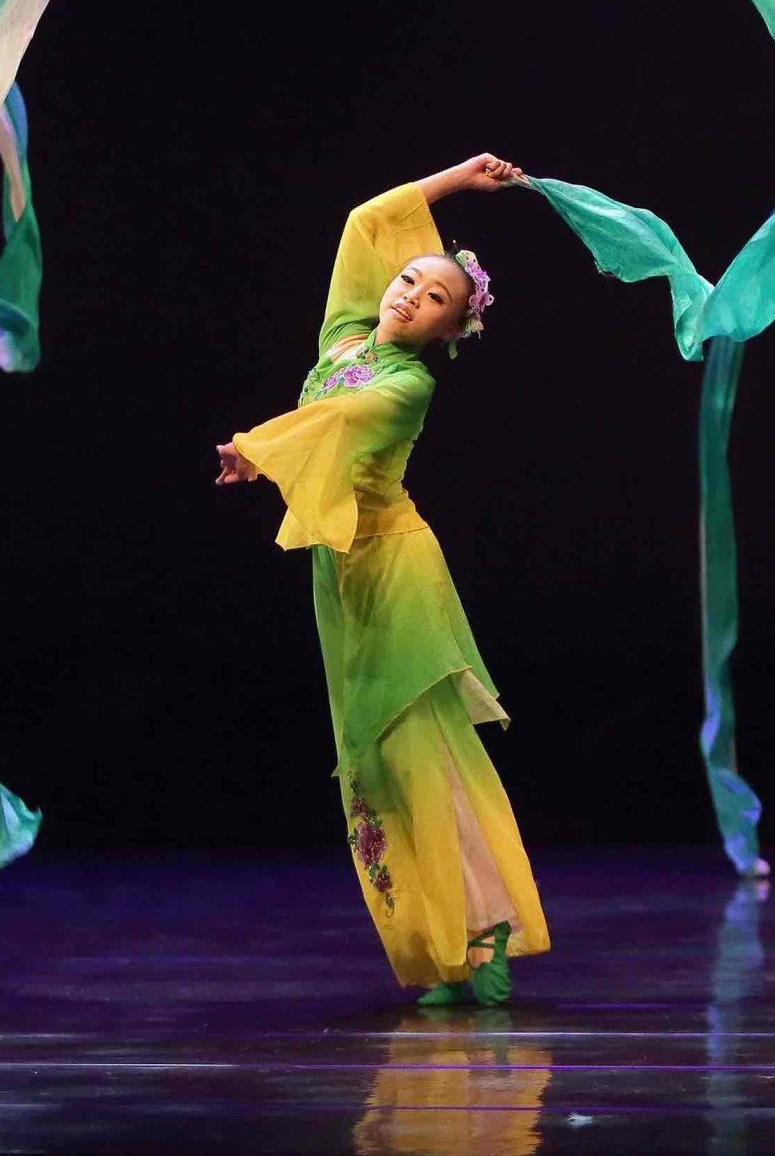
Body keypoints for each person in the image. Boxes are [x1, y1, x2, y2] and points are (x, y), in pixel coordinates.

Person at [217, 156, 548, 1007]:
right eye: (407, 280)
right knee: (371, 766)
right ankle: (437, 947)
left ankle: (485, 928)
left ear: (450, 328)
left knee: (419, 751)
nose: (408, 296)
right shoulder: (344, 340)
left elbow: (339, 419)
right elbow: (366, 222)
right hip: (342, 572)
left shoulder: (407, 385)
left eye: (433, 297)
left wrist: (256, 451)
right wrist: (460, 178)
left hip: (397, 569)